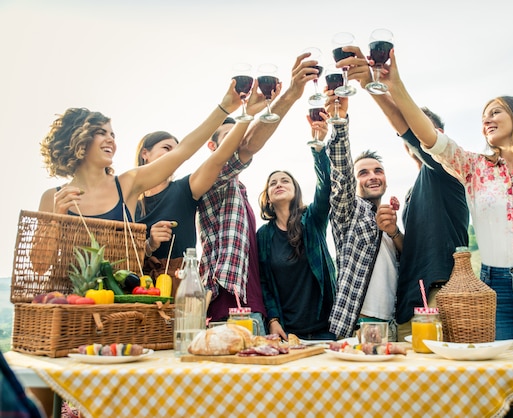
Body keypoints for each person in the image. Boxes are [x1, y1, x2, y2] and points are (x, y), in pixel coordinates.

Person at [383, 49, 513, 418]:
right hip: (497, 296)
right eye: (483, 116)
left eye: (495, 111)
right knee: (510, 405)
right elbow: (427, 136)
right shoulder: (475, 169)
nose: (487, 120)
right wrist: (392, 84)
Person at [341, 48, 470, 341]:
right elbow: (413, 249)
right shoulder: (417, 188)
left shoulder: (447, 169)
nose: (410, 133)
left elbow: (409, 132)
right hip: (411, 303)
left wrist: (372, 88)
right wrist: (395, 232)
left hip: (440, 296)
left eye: (415, 127)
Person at [197, 52, 319, 332]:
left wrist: (269, 317)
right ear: (213, 148)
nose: (237, 143)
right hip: (227, 313)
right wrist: (288, 96)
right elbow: (249, 145)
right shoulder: (214, 182)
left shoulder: (239, 191)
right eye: (229, 138)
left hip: (253, 313)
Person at [38, 82, 242, 221]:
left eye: (113, 134)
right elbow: (39, 267)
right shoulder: (52, 198)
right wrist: (57, 217)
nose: (111, 139)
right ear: (77, 139)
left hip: (122, 287)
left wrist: (224, 108)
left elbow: (182, 150)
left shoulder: (128, 184)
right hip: (68, 287)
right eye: (101, 132)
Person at [134, 82, 266, 289]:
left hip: (179, 287)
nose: (174, 155)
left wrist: (246, 115)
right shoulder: (128, 200)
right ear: (145, 154)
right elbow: (118, 255)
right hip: (135, 290)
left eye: (177, 150)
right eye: (166, 148)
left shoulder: (183, 189)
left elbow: (219, 159)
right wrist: (149, 245)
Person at [324, 91, 401, 341]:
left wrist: (394, 232)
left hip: (395, 321)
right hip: (360, 321)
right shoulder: (350, 211)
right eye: (363, 173)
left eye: (378, 170)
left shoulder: (393, 214)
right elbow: (341, 175)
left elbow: (409, 257)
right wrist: (340, 123)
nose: (372, 176)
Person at [257, 115, 336, 341]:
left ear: (296, 190)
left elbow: (325, 187)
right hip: (287, 333)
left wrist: (318, 148)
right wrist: (272, 320)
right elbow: (264, 283)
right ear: (268, 198)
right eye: (273, 183)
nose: (279, 184)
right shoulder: (263, 236)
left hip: (327, 328)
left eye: (285, 181)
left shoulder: (312, 219)